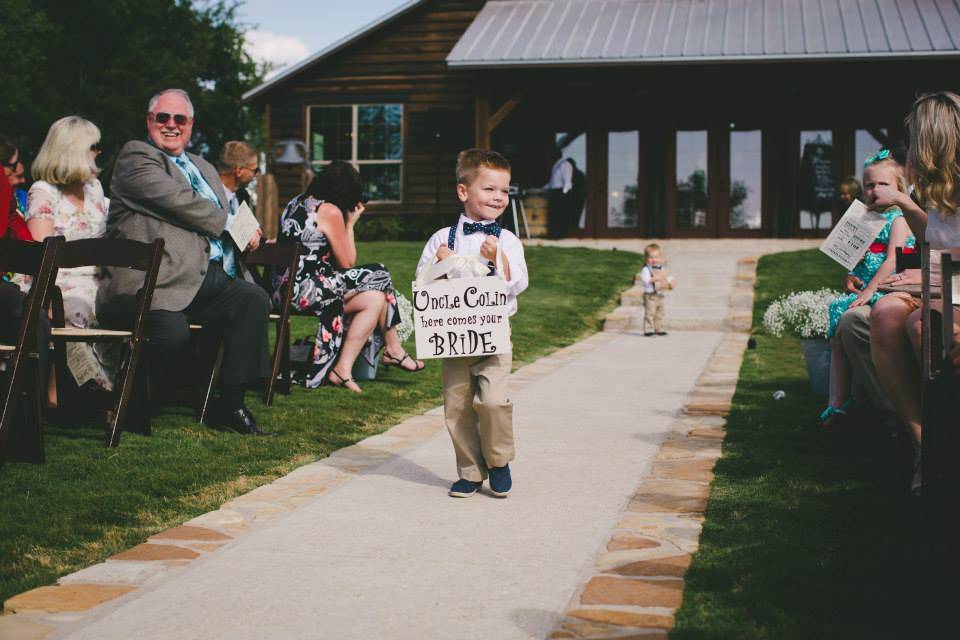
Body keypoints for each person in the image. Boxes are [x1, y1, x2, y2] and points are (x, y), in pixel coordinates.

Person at [97, 88, 272, 436]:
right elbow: (179, 201)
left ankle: (231, 404)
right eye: (163, 117)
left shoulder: (203, 165)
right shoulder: (137, 158)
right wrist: (229, 223)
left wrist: (249, 231)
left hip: (203, 276)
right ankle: (132, 398)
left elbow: (227, 208)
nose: (171, 125)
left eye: (180, 119)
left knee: (252, 299)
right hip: (152, 280)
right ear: (150, 121)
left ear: (191, 124)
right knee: (172, 336)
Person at [416, 149, 529, 499]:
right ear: (464, 192)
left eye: (504, 191)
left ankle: (498, 460)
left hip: (494, 335)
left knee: (493, 402)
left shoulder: (507, 240)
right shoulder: (440, 238)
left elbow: (517, 284)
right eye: (490, 189)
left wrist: (499, 260)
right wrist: (442, 264)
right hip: (454, 337)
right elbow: (424, 286)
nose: (498, 198)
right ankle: (469, 470)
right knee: (458, 407)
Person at [869, 92, 960, 493]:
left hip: (950, 285)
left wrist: (933, 271)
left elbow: (946, 252)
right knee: (885, 314)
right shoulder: (939, 189)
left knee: (925, 326)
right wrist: (906, 203)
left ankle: (944, 450)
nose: (912, 146)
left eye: (917, 135)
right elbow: (933, 241)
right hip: (944, 282)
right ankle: (923, 441)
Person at [275, 160, 423, 393]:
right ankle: (394, 348)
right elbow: (347, 263)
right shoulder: (330, 211)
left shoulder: (295, 202)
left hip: (283, 289)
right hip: (303, 290)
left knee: (375, 298)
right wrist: (351, 224)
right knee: (380, 272)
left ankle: (341, 370)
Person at [820, 152, 913, 427]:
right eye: (869, 185)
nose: (874, 190)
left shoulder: (898, 218)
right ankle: (836, 403)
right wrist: (850, 276)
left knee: (851, 322)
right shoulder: (862, 218)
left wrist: (871, 290)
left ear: (899, 187)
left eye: (883, 185)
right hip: (863, 287)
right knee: (837, 331)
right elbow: (853, 257)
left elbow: (894, 259)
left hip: (884, 287)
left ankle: (864, 404)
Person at [26, 116, 116, 397]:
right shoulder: (44, 192)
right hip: (56, 280)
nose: (99, 152)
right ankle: (97, 390)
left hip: (97, 277)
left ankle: (113, 389)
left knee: (121, 302)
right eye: (94, 146)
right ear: (73, 150)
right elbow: (41, 256)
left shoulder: (95, 189)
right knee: (78, 305)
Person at [639, 243, 675, 337]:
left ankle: (658, 329)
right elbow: (646, 280)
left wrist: (670, 281)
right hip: (650, 295)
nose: (654, 259)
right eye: (651, 257)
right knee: (650, 313)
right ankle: (648, 330)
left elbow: (666, 277)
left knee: (660, 313)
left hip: (660, 295)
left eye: (656, 257)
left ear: (660, 258)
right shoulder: (646, 270)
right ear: (646, 259)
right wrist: (654, 279)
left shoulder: (661, 268)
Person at [217, 141, 258, 212]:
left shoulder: (243, 196)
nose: (255, 175)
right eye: (255, 170)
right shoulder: (208, 197)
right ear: (239, 171)